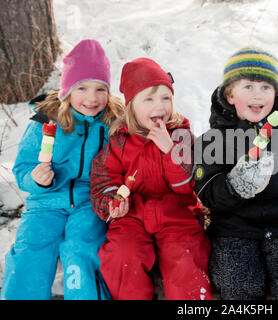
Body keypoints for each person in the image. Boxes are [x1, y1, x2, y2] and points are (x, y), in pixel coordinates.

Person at [193, 47, 278, 300]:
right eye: (248, 87)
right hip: (234, 230)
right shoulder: (213, 139)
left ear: (276, 94)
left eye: (266, 87)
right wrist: (233, 185)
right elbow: (205, 190)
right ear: (230, 95)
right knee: (240, 287)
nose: (258, 94)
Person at [1, 39, 124, 300]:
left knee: (81, 249)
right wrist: (37, 180)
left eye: (100, 89)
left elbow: (124, 165)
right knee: (29, 251)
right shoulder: (46, 121)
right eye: (82, 88)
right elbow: (23, 167)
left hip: (88, 203)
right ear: (67, 89)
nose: (92, 98)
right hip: (45, 204)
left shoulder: (112, 123)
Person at [90, 57, 212, 300]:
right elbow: (103, 179)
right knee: (122, 256)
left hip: (177, 214)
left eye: (165, 98)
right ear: (132, 106)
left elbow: (188, 184)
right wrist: (113, 201)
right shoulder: (120, 141)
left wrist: (170, 150)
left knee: (186, 260)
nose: (160, 106)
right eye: (149, 99)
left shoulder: (181, 135)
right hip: (132, 216)